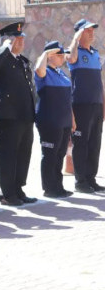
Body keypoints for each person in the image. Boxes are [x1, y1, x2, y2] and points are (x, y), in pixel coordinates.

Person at [0, 21, 37, 206]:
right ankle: (7, 192)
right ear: (8, 40)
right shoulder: (1, 58)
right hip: (7, 116)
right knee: (8, 155)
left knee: (23, 154)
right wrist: (5, 47)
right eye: (17, 38)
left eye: (22, 37)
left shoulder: (21, 61)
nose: (21, 41)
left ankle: (18, 188)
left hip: (24, 115)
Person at [65, 19, 104, 193]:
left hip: (96, 104)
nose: (91, 33)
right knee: (81, 144)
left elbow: (98, 80)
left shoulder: (95, 53)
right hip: (81, 105)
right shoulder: (75, 52)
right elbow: (71, 57)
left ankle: (90, 178)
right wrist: (75, 38)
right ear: (79, 34)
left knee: (95, 143)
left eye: (92, 30)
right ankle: (80, 181)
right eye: (87, 31)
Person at [35, 41, 75, 198]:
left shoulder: (61, 73)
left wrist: (72, 119)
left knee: (59, 154)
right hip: (50, 121)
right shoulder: (44, 72)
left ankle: (58, 186)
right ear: (50, 56)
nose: (63, 57)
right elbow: (39, 69)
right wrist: (44, 54)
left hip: (63, 120)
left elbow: (68, 99)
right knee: (50, 154)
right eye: (59, 55)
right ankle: (49, 188)